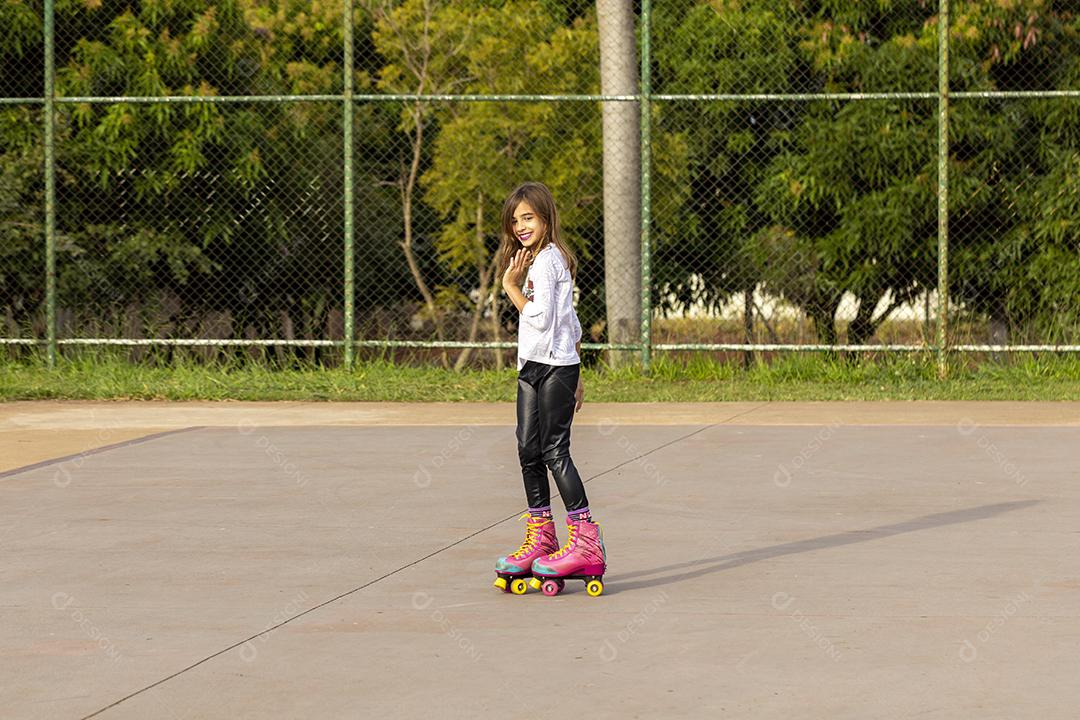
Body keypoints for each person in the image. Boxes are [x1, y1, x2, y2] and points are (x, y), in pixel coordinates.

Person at [492, 181, 606, 597]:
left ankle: (586, 541)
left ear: (545, 218)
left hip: (555, 368)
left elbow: (540, 318)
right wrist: (582, 372)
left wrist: (510, 287)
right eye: (515, 220)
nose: (521, 226)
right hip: (534, 367)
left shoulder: (548, 261)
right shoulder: (537, 260)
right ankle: (542, 535)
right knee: (527, 448)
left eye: (529, 218)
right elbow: (571, 322)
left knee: (555, 451)